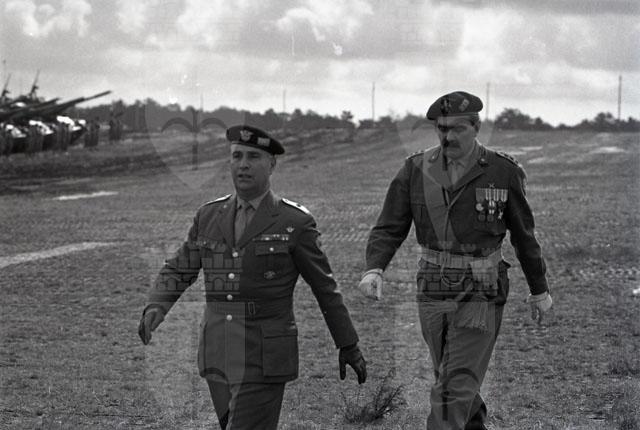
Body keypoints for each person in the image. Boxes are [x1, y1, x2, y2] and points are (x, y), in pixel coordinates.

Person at [138, 125, 367, 430]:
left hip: (264, 353)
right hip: (218, 349)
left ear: (272, 165)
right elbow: (180, 268)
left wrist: (348, 343)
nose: (243, 164)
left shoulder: (294, 222)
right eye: (237, 156)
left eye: (253, 157)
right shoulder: (209, 215)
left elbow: (325, 288)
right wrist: (157, 304)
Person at [358, 91, 552, 429]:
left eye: (457, 129)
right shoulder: (416, 169)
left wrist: (539, 289)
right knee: (451, 376)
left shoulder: (502, 171)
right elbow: (389, 226)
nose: (448, 137)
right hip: (432, 287)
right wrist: (375, 268)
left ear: (476, 127)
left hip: (481, 290)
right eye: (442, 129)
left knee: (454, 384)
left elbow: (524, 235)